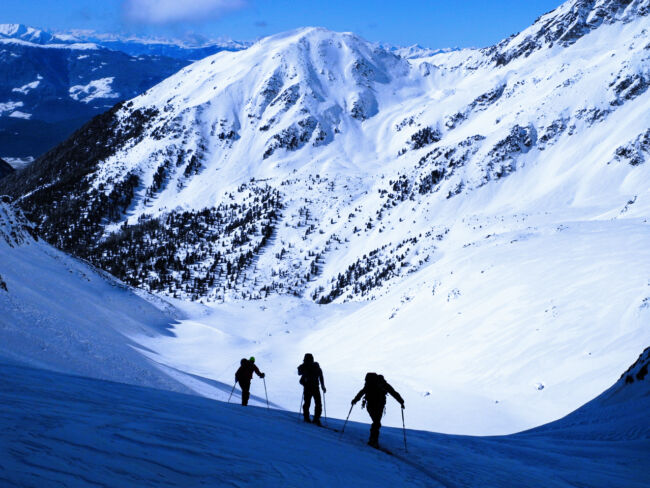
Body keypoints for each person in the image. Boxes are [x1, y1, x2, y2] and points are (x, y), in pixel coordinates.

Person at [351, 372, 404, 448]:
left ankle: (373, 440)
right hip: (379, 406)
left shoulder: (369, 384)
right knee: (376, 422)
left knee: (376, 422)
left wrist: (355, 400)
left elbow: (362, 392)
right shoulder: (383, 384)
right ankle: (373, 440)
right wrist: (401, 402)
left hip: (370, 405)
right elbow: (393, 393)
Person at [297, 353, 326, 425]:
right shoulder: (316, 366)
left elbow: (299, 372)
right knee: (317, 403)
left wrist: (322, 386)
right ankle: (315, 418)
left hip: (309, 387)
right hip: (314, 387)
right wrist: (323, 386)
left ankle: (308, 417)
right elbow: (321, 377)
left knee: (308, 403)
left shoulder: (308, 366)